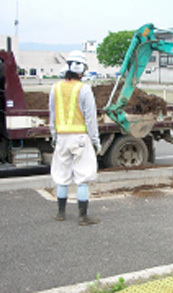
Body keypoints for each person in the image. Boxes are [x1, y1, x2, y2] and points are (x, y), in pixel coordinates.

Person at [49, 50, 102, 226]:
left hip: (62, 138)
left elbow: (52, 115)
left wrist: (54, 136)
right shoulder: (84, 89)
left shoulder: (55, 88)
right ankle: (82, 216)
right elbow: (90, 118)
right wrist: (96, 141)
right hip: (80, 138)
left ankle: (60, 213)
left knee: (62, 176)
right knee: (83, 177)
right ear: (81, 70)